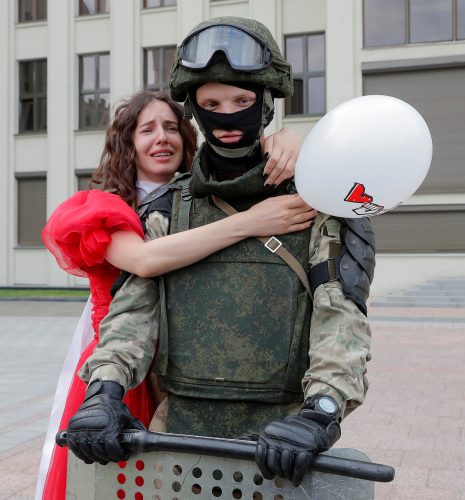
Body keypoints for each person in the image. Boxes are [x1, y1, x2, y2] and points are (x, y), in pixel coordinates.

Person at [65, 16, 375, 487]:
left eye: (242, 101)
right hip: (178, 440)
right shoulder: (167, 209)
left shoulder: (315, 201)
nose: (227, 115)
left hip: (282, 441)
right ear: (193, 108)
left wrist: (320, 413)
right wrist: (104, 391)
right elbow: (132, 315)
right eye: (211, 103)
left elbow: (341, 318)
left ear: (266, 104)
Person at [36, 89, 314, 500]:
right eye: (146, 129)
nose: (161, 138)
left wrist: (288, 138)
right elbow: (145, 261)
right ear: (126, 143)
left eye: (171, 127)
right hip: (124, 372)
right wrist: (253, 222)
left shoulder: (201, 200)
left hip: (186, 364)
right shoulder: (105, 208)